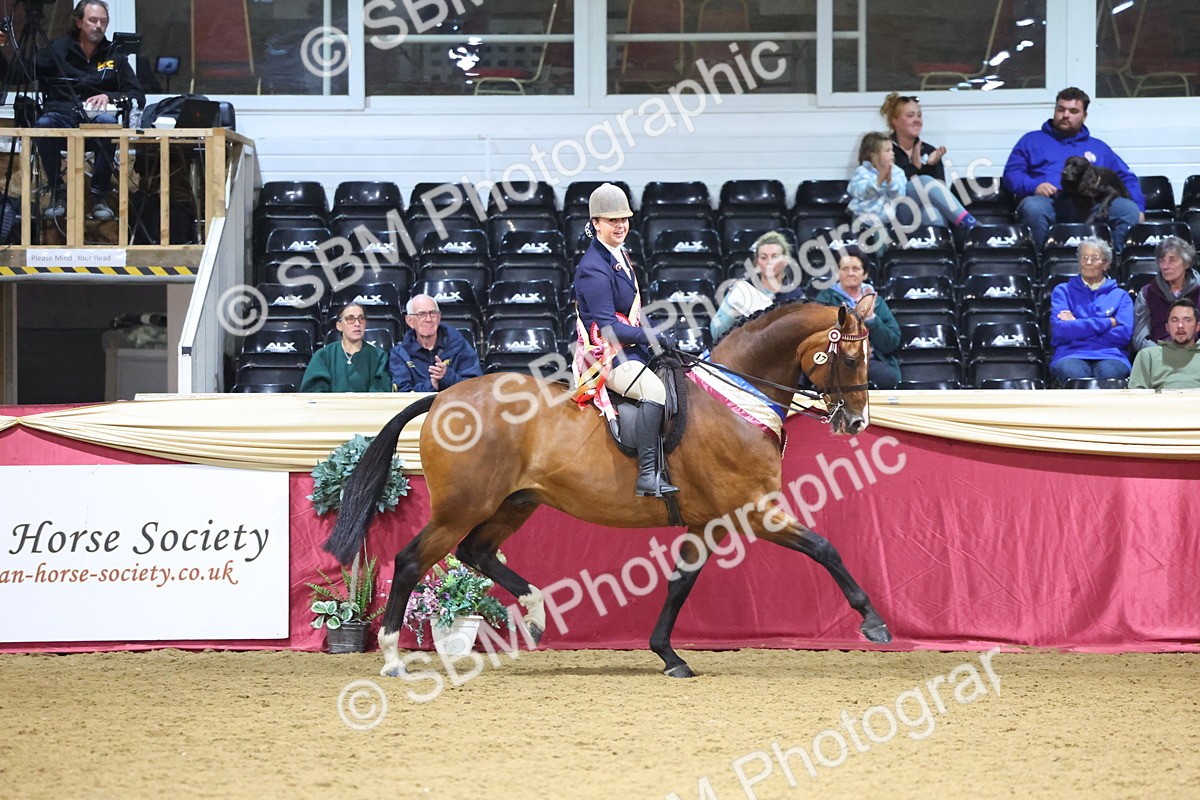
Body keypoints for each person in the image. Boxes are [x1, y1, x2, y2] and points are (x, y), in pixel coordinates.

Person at [574, 182, 677, 498]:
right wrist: (651, 336)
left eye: (624, 219)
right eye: (612, 221)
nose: (620, 226)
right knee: (654, 390)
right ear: (596, 223)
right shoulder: (593, 267)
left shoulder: (617, 256)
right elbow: (607, 328)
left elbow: (630, 315)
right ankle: (647, 474)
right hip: (605, 355)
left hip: (628, 347)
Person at [34, 0, 145, 220]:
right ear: (79, 21)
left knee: (108, 122)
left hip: (97, 126)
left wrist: (110, 96)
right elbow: (20, 74)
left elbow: (137, 95)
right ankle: (58, 191)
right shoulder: (57, 50)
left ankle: (99, 195)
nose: (98, 26)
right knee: (43, 124)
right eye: (93, 20)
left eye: (103, 21)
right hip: (61, 120)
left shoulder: (115, 55)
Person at [1002, 87, 1144, 251]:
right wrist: (1034, 186)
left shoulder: (1099, 147)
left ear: (1084, 116)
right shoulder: (1031, 140)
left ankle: (1116, 265)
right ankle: (1040, 265)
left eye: (1073, 111)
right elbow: (1011, 174)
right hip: (1051, 203)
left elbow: (1127, 178)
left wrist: (1139, 207)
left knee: (1128, 210)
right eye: (1061, 109)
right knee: (1033, 207)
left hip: (1092, 206)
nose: (1065, 115)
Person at [880, 92, 977, 230]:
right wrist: (916, 167)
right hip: (894, 214)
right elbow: (887, 188)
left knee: (932, 213)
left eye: (919, 115)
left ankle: (937, 251)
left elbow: (941, 190)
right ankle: (972, 226)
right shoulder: (883, 150)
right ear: (894, 121)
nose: (917, 120)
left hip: (920, 213)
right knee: (923, 181)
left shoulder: (929, 150)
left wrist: (930, 166)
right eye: (910, 115)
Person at [1047, 237, 1133, 384]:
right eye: (1084, 257)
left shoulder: (1121, 296)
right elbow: (1060, 331)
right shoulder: (1063, 291)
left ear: (1106, 264)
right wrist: (1107, 323)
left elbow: (1123, 335)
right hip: (1070, 354)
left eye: (1094, 258)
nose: (1087, 262)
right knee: (1076, 375)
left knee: (1109, 375)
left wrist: (1077, 325)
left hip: (1111, 355)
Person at [813, 248, 901, 389]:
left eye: (856, 268)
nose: (850, 273)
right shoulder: (825, 298)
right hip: (836, 361)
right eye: (845, 268)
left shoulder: (876, 301)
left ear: (865, 274)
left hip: (869, 362)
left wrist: (872, 319)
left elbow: (892, 343)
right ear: (837, 273)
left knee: (888, 377)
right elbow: (815, 337)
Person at [709, 231, 805, 340]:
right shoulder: (742, 290)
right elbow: (716, 333)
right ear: (757, 262)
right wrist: (736, 310)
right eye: (764, 257)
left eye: (775, 256)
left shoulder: (796, 296)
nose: (769, 262)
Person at [389, 294, 483, 391]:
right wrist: (431, 385)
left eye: (433, 313)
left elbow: (475, 386)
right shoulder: (400, 354)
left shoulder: (459, 345)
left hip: (454, 405)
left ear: (439, 317)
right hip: (420, 406)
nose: (429, 319)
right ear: (410, 321)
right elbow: (402, 394)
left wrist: (447, 376)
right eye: (421, 314)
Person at [299, 303, 392, 392]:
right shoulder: (323, 356)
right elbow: (313, 393)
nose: (357, 323)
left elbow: (380, 393)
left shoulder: (379, 357)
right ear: (339, 326)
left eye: (361, 318)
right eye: (350, 319)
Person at [1131, 236, 1200, 353]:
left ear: (1186, 263)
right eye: (1162, 261)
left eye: (1172, 260)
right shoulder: (1147, 293)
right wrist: (1159, 353)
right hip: (1159, 353)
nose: (1165, 266)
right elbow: (1140, 337)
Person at [1129, 299, 1200, 390]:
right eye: (1174, 320)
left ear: (1197, 326)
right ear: (1167, 327)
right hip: (1160, 403)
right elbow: (1136, 396)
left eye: (1187, 320)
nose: (1180, 326)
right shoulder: (1149, 355)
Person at [848, 131, 906, 234]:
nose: (892, 153)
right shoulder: (862, 171)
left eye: (892, 150)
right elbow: (860, 192)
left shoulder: (897, 172)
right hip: (862, 219)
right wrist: (878, 181)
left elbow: (900, 195)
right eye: (887, 151)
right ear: (873, 156)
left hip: (886, 221)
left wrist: (890, 182)